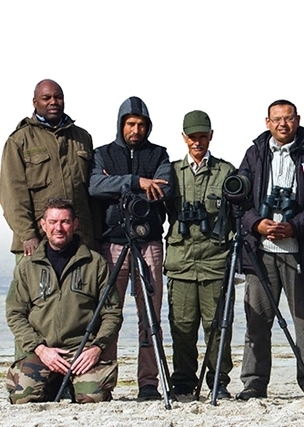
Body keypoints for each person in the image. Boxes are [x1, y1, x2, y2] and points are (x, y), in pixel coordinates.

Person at [236, 100, 304, 400]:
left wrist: (294, 226)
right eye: (276, 119)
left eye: (288, 119)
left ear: (297, 120)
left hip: (299, 251)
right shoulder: (254, 154)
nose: (282, 124)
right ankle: (253, 384)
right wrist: (257, 224)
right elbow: (240, 198)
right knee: (257, 323)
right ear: (267, 122)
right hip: (260, 252)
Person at [88, 96, 172, 400]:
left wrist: (118, 185)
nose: (135, 130)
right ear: (121, 124)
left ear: (147, 126)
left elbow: (165, 188)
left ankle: (148, 383)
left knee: (150, 316)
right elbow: (95, 186)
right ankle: (104, 381)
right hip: (111, 242)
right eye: (130, 124)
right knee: (109, 314)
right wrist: (137, 182)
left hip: (148, 241)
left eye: (141, 124)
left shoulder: (159, 154)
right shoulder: (103, 154)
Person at [5, 198, 122, 404]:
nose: (58, 228)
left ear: (75, 224)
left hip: (81, 350)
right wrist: (40, 348)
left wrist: (96, 348)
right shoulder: (27, 266)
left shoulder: (95, 263)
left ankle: (74, 383)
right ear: (43, 225)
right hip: (43, 351)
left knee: (92, 397)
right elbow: (15, 313)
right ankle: (54, 383)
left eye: (65, 222)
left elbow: (112, 313)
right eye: (53, 222)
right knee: (24, 398)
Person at [163, 110, 236, 399]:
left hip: (215, 261)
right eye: (192, 137)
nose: (197, 142)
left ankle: (218, 378)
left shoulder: (225, 172)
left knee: (218, 326)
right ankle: (182, 380)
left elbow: (234, 215)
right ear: (184, 138)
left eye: (202, 137)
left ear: (211, 137)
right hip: (180, 262)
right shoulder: (170, 172)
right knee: (181, 326)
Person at [1, 79, 95, 261]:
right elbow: (12, 196)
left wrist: (95, 236)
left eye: (58, 97)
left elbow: (91, 194)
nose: (53, 101)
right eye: (46, 97)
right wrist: (28, 235)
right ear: (35, 102)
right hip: (37, 243)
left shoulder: (82, 138)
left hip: (80, 242)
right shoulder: (19, 140)